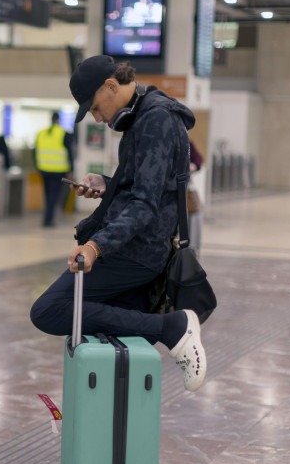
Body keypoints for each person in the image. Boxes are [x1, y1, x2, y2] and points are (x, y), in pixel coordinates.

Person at [30, 55, 206, 392]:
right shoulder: (143, 116)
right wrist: (108, 185)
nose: (97, 118)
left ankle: (173, 327)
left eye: (96, 108)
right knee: (120, 339)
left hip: (136, 250)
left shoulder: (155, 119)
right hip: (135, 244)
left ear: (111, 86)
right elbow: (147, 188)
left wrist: (95, 246)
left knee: (48, 310)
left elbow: (145, 203)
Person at [35, 112, 74, 227]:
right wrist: (71, 169)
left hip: (44, 169)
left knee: (47, 195)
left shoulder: (41, 133)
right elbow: (70, 153)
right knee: (54, 195)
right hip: (59, 171)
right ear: (59, 120)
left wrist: (37, 166)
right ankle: (48, 219)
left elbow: (35, 151)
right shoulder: (64, 133)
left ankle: (47, 218)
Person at [187, 140, 204, 255]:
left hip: (183, 190)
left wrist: (193, 166)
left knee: (192, 217)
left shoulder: (185, 141)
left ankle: (191, 249)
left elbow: (198, 159)